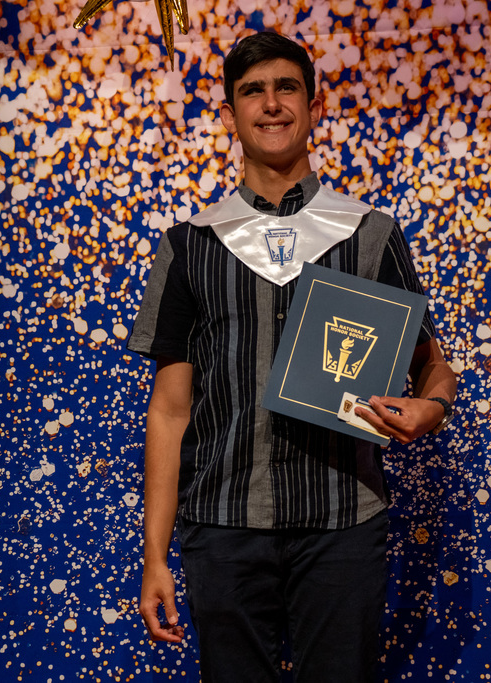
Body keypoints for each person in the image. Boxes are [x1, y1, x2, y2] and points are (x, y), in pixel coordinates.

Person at [126, 31, 458, 682]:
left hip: (343, 525)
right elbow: (169, 411)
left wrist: (431, 408)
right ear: (230, 112)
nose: (271, 104)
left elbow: (432, 364)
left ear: (313, 105)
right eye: (252, 90)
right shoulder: (191, 245)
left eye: (287, 88)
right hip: (223, 530)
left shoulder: (369, 233)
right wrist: (155, 556)